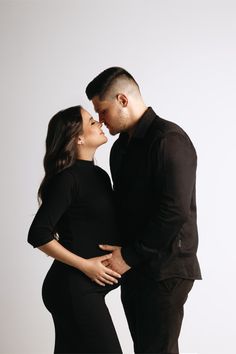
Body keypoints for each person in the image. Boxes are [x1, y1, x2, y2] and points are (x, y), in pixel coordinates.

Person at [85, 67, 202, 354]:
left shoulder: (169, 139)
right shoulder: (120, 149)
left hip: (166, 270)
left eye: (102, 111)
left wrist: (128, 256)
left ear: (123, 100)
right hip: (135, 269)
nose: (100, 121)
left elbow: (174, 212)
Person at [27, 105, 123, 354]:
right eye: (92, 122)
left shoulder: (100, 176)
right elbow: (38, 233)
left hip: (80, 289)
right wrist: (86, 265)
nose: (100, 123)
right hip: (74, 288)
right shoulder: (68, 179)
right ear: (78, 138)